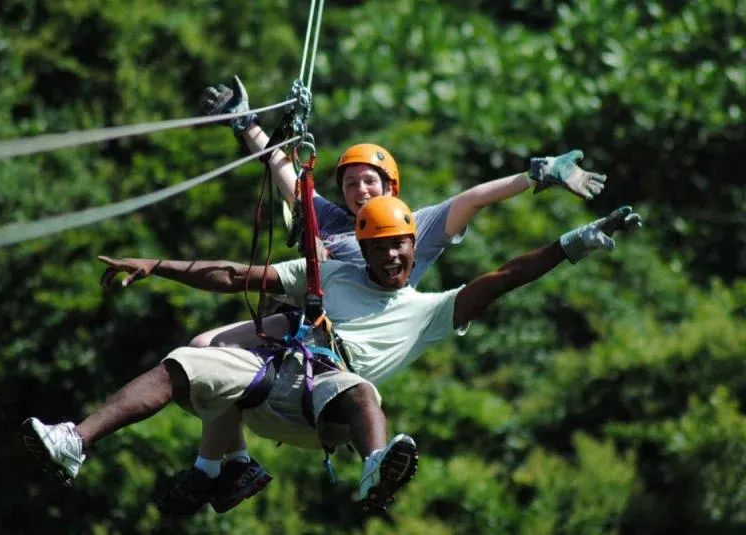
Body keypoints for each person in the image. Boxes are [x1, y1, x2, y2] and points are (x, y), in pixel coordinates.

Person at [145, 76, 612, 513]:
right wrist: (249, 126)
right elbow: (288, 176)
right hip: (302, 327)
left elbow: (471, 200)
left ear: (392, 188)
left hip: (344, 342)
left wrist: (538, 175)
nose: (359, 189)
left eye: (370, 181)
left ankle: (228, 465)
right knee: (205, 348)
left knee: (218, 357)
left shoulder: (412, 226)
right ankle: (236, 464)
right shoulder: (330, 221)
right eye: (350, 183)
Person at [45, 196, 643, 515]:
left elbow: (504, 277)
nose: (390, 258)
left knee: (358, 389)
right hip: (269, 374)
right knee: (182, 363)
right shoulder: (330, 271)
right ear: (364, 246)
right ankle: (77, 441)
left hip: (321, 414)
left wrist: (574, 242)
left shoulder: (430, 310)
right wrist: (156, 267)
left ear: (415, 248)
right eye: (379, 248)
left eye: (399, 248)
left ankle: (375, 465)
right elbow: (235, 276)